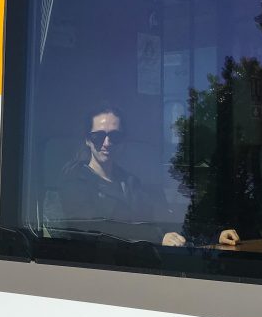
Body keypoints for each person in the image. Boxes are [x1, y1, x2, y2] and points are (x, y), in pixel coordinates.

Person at [58, 104, 239, 247]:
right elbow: (97, 228)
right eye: (99, 136)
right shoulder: (74, 182)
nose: (107, 143)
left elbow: (162, 218)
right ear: (88, 140)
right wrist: (157, 237)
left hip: (140, 266)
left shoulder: (129, 182)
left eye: (115, 136)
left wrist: (213, 235)